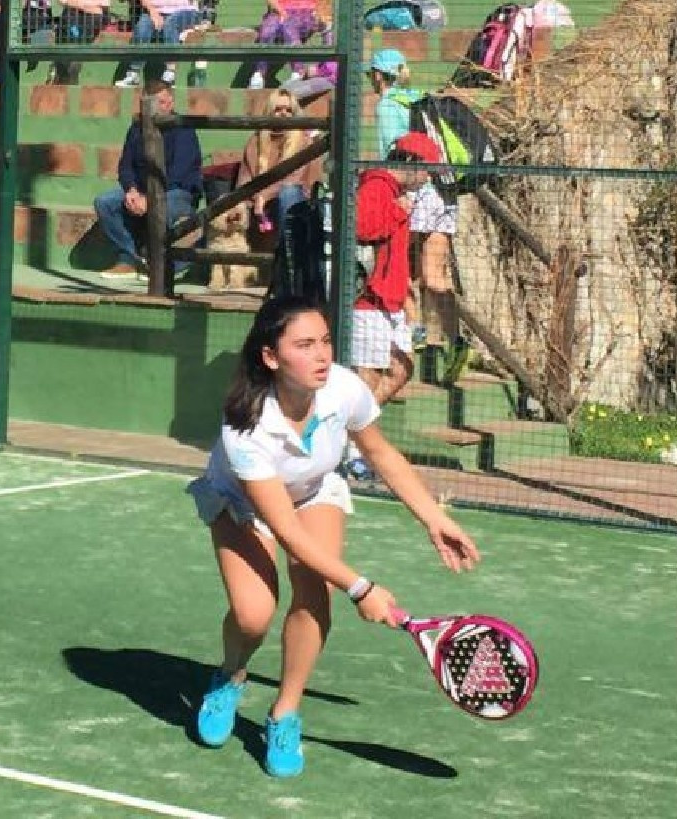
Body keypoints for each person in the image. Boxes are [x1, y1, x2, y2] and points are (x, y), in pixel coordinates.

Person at [187, 294, 480, 777]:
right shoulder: (247, 427)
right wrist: (361, 588)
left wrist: (434, 518)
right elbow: (286, 531)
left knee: (314, 594)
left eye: (324, 341)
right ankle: (230, 675)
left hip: (313, 490)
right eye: (304, 345)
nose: (322, 355)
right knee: (253, 615)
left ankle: (285, 713)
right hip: (242, 502)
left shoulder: (343, 387)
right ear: (271, 356)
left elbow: (380, 454)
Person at [344, 132, 441, 481]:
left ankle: (350, 435)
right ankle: (352, 452)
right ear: (411, 163)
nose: (428, 178)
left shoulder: (395, 192)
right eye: (427, 170)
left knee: (401, 369)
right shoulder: (377, 186)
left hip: (391, 299)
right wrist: (399, 214)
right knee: (367, 375)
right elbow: (363, 228)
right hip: (369, 299)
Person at [367, 49, 468, 379]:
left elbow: (391, 154)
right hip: (444, 190)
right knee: (435, 276)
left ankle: (415, 332)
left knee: (402, 265)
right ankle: (456, 341)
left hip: (418, 190)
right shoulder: (419, 99)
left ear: (378, 76)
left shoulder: (387, 105)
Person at [94, 80, 202, 279]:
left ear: (170, 102)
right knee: (105, 202)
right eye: (150, 103)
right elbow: (125, 166)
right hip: (142, 191)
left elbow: (178, 174)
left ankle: (162, 264)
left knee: (164, 207)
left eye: (162, 102)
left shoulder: (183, 129)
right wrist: (131, 190)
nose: (157, 108)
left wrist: (150, 198)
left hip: (177, 193)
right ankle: (130, 259)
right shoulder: (137, 128)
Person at [235, 88, 324, 248]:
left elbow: (293, 180)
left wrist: (264, 196)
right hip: (260, 203)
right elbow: (243, 181)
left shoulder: (303, 141)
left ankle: (288, 252)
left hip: (297, 201)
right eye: (278, 109)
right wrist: (256, 199)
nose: (283, 114)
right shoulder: (255, 141)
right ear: (269, 112)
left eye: (289, 110)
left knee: (288, 193)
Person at [114, 0, 210, 87]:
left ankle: (171, 72)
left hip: (185, 11)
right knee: (142, 27)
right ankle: (134, 74)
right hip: (156, 11)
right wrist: (152, 11)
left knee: (170, 24)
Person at [248, 0, 328, 90]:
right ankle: (259, 74)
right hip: (278, 11)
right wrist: (281, 12)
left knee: (289, 27)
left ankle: (298, 72)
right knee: (267, 32)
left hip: (306, 12)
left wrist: (319, 13)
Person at [48, 0, 112, 85]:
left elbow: (105, 5)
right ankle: (63, 75)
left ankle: (69, 78)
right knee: (71, 44)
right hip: (73, 15)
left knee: (80, 48)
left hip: (92, 17)